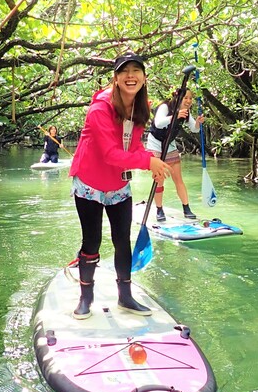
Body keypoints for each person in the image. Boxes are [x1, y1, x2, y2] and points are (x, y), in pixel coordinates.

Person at [68, 51, 171, 319]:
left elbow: (134, 147)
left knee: (122, 240)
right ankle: (85, 298)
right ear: (115, 78)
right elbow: (110, 154)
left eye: (136, 71)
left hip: (118, 184)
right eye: (124, 71)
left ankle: (125, 297)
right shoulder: (100, 109)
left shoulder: (141, 107)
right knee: (92, 241)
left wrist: (154, 163)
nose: (130, 76)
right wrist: (148, 163)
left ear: (144, 77)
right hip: (89, 183)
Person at [146, 87, 204, 222]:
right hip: (155, 143)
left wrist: (198, 123)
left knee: (178, 178)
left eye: (190, 98)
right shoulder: (165, 107)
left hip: (170, 145)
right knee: (159, 179)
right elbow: (158, 123)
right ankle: (159, 209)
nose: (188, 101)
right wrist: (175, 116)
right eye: (185, 98)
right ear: (178, 98)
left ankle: (186, 208)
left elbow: (194, 129)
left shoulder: (186, 112)